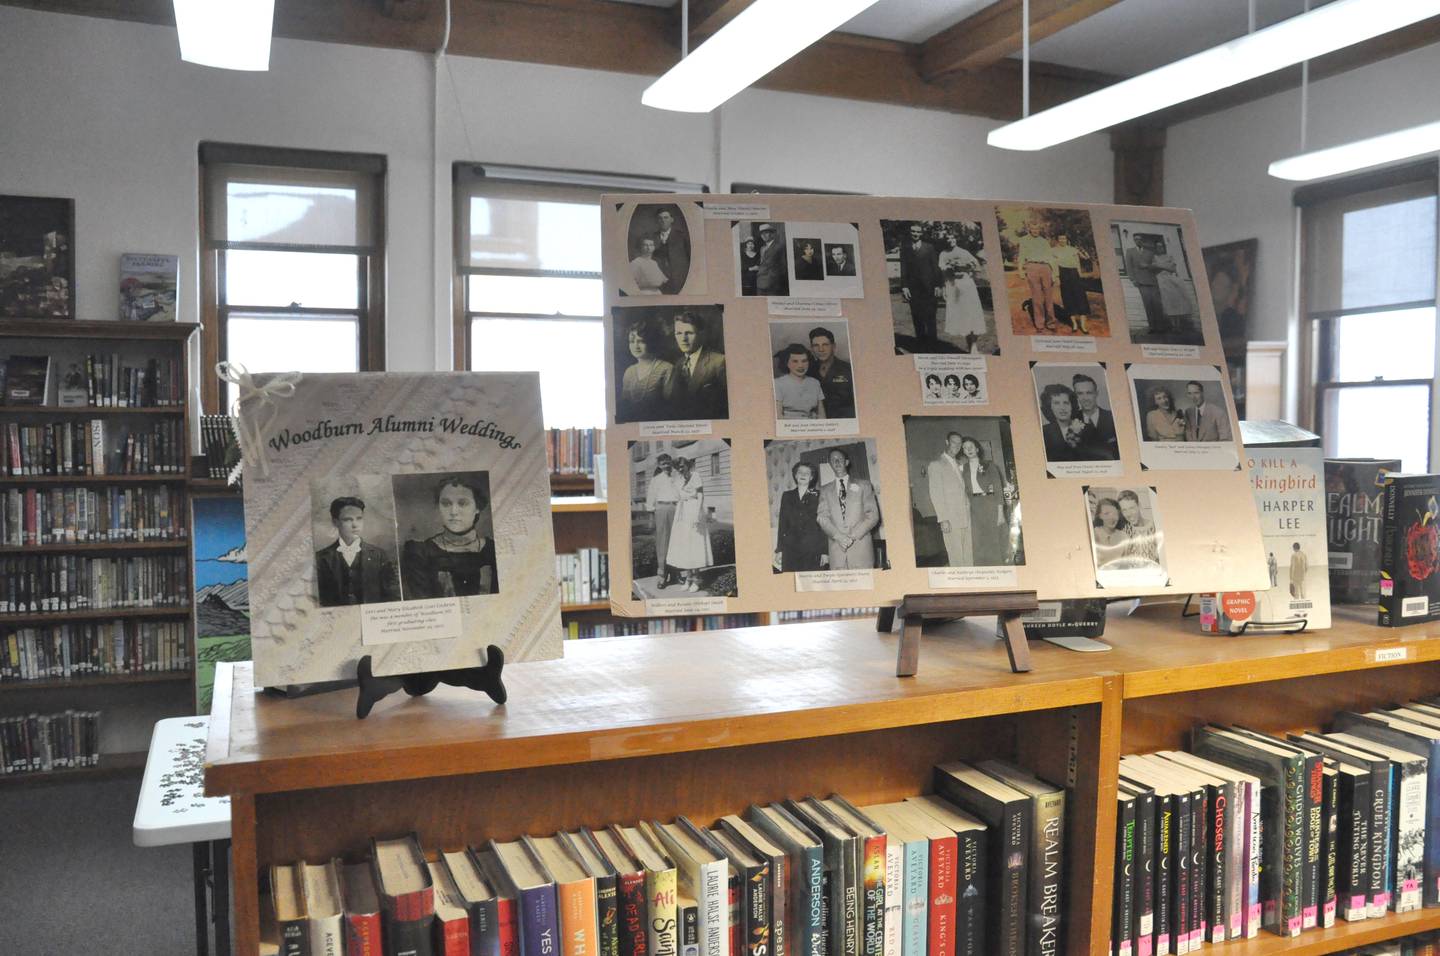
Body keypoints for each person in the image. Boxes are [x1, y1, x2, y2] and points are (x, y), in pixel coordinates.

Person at [400, 475, 499, 599]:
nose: (453, 511)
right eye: (446, 504)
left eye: (463, 503)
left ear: (477, 508)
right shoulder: (420, 553)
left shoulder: (493, 550)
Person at [314, 496, 400, 607]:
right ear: (335, 522)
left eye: (359, 518)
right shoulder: (321, 558)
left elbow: (392, 597)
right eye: (348, 520)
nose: (355, 525)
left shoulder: (379, 555)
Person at [816, 448, 879, 570]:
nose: (837, 462)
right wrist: (839, 537)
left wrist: (852, 537)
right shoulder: (825, 490)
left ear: (847, 462)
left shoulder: (864, 485)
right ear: (830, 464)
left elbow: (873, 516)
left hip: (861, 551)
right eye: (833, 460)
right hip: (837, 554)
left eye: (840, 459)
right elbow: (822, 518)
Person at [960, 436, 1014, 566]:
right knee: (978, 542)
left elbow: (998, 489)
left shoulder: (989, 465)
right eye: (965, 448)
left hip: (990, 505)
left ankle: (999, 569)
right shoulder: (963, 468)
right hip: (974, 507)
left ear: (977, 449)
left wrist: (1000, 514)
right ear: (963, 451)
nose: (969, 449)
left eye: (971, 446)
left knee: (994, 540)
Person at [665, 457, 713, 592]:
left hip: (694, 509)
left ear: (687, 464)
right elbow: (677, 496)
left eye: (682, 466)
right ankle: (688, 577)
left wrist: (697, 514)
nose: (681, 469)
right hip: (682, 511)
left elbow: (701, 496)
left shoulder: (696, 475)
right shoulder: (679, 480)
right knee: (685, 545)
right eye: (678, 467)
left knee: (695, 544)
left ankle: (697, 579)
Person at [927, 432, 974, 567]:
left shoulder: (960, 463)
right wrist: (943, 519)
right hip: (951, 518)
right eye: (954, 442)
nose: (957, 446)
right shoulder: (936, 465)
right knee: (956, 555)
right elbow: (935, 494)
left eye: (960, 443)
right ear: (947, 442)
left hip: (966, 515)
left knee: (968, 553)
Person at [618, 315, 676, 423]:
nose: (636, 346)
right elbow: (624, 406)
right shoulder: (629, 372)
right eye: (631, 341)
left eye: (641, 341)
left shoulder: (667, 369)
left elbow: (671, 407)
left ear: (650, 342)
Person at [672, 311, 728, 420]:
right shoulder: (678, 364)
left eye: (689, 333)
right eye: (679, 333)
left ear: (701, 334)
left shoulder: (719, 361)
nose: (683, 339)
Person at [774, 461, 827, 572]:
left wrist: (824, 552)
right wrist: (779, 550)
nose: (803, 475)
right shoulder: (787, 496)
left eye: (806, 473)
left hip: (812, 549)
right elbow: (782, 523)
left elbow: (823, 525)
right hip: (790, 549)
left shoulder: (818, 495)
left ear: (811, 477)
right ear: (795, 475)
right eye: (800, 472)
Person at [938, 232, 985, 350]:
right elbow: (942, 272)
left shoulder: (964, 252)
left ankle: (974, 346)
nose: (950, 240)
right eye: (947, 238)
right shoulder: (943, 254)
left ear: (955, 239)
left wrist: (968, 269)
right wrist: (944, 287)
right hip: (953, 287)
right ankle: (970, 346)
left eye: (952, 237)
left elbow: (977, 267)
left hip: (966, 285)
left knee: (971, 314)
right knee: (961, 317)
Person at [899, 223, 943, 349]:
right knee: (917, 316)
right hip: (913, 289)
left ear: (921, 233)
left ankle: (933, 345)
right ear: (910, 232)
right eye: (913, 231)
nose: (915, 234)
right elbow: (903, 268)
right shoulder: (905, 248)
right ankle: (920, 344)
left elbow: (935, 268)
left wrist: (937, 285)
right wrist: (904, 286)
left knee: (930, 316)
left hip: (929, 288)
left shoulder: (929, 247)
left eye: (918, 232)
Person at [644, 454, 683, 588]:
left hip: (676, 509)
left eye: (668, 463)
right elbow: (650, 498)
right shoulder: (656, 480)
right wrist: (651, 517)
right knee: (663, 542)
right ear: (659, 465)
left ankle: (676, 572)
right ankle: (661, 576)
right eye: (664, 463)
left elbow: (682, 492)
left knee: (677, 542)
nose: (667, 466)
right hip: (661, 509)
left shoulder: (677, 477)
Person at [1017, 221, 1057, 331]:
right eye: (1033, 229)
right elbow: (1021, 256)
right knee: (1037, 298)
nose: (1035, 231)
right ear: (1029, 229)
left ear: (1040, 229)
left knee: (1049, 297)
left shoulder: (1044, 241)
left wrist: (1054, 273)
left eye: (1037, 229)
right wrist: (1020, 270)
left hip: (1046, 268)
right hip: (1032, 267)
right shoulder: (1024, 240)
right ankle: (1040, 324)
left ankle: (1051, 323)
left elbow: (1050, 257)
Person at [1039, 382, 1093, 462]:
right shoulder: (1043, 432)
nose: (1062, 408)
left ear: (1072, 405)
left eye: (1066, 403)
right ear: (1049, 407)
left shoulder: (1089, 430)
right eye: (1056, 403)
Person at [808, 327, 855, 419]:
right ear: (811, 348)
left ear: (833, 346)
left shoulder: (849, 369)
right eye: (816, 345)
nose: (821, 349)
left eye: (825, 344)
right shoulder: (807, 371)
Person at [1124, 232, 1165, 334]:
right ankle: (1152, 327)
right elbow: (1129, 267)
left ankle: (1160, 327)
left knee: (1157, 304)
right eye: (1136, 239)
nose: (1138, 241)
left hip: (1152, 281)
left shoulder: (1150, 252)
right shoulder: (1130, 252)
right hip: (1141, 282)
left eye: (1140, 239)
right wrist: (1133, 279)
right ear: (1134, 240)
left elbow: (1157, 267)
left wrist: (1147, 266)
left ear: (1143, 240)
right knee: (1148, 305)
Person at [1072, 373, 1119, 460]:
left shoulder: (1113, 417)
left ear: (1096, 393)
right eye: (1080, 393)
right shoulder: (1070, 420)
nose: (1085, 398)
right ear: (1076, 396)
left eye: (1089, 393)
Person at [1052, 233, 1092, 333]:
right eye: (1060, 238)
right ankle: (1074, 324)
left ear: (1066, 239)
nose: (1062, 240)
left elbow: (1085, 258)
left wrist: (1083, 251)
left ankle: (1083, 325)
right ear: (1057, 240)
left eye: (1064, 238)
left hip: (1074, 274)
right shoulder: (1054, 250)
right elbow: (1054, 264)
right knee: (1067, 298)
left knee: (1081, 297)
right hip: (1063, 274)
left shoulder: (1073, 249)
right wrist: (1057, 277)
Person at [774, 343, 826, 420]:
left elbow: (822, 416)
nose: (800, 365)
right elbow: (778, 417)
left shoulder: (815, 383)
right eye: (795, 361)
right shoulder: (778, 383)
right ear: (787, 363)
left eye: (804, 361)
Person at [1154, 241, 1198, 332]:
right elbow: (1155, 268)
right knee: (1167, 302)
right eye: (1158, 247)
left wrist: (1161, 266)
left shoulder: (1169, 256)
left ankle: (1178, 326)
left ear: (1164, 247)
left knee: (1176, 301)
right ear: (1156, 248)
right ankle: (1173, 326)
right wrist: (1166, 266)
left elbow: (1173, 269)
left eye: (1161, 246)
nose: (1160, 248)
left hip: (1171, 281)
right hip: (1162, 282)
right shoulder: (1155, 257)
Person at [652, 207, 689, 295]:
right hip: (659, 278)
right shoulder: (652, 237)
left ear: (672, 219)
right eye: (660, 218)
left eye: (666, 217)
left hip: (679, 277)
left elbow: (690, 257)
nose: (663, 220)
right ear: (657, 220)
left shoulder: (682, 236)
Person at [1117, 490, 1160, 566]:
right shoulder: (1124, 531)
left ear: (1139, 506)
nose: (1129, 514)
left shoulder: (1155, 527)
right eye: (1124, 510)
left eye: (1131, 508)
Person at [1091, 497, 1130, 569]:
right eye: (1106, 514)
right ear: (1100, 516)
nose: (1111, 518)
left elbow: (1126, 565)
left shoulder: (1124, 537)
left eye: (1115, 514)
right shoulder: (1093, 534)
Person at [756, 224, 789, 296]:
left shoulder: (779, 247)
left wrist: (773, 278)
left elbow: (784, 266)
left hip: (773, 284)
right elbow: (763, 264)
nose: (763, 235)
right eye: (761, 234)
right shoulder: (762, 248)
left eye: (766, 233)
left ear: (772, 234)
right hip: (760, 283)